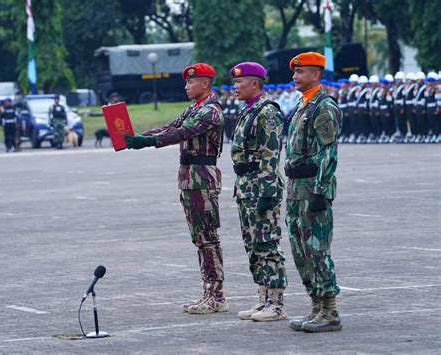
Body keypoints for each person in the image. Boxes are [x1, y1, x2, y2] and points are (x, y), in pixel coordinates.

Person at [124, 63, 228, 314]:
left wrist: (149, 141)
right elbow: (170, 127)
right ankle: (208, 292)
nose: (186, 86)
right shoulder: (194, 108)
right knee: (200, 239)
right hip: (189, 178)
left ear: (205, 83)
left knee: (208, 238)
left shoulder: (210, 111)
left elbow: (183, 133)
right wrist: (140, 137)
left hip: (202, 178)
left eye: (191, 82)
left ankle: (217, 296)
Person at [285, 52, 342, 332]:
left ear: (316, 74)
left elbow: (328, 151)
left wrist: (321, 189)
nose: (295, 77)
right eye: (295, 72)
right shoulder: (302, 104)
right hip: (296, 188)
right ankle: (316, 305)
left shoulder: (323, 106)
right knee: (300, 249)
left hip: (312, 188)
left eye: (300, 72)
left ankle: (330, 311)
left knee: (317, 249)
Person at [229, 62, 288, 322]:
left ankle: (276, 304)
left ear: (255, 83)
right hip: (246, 186)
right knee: (253, 245)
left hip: (260, 186)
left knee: (267, 244)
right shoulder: (249, 110)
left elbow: (270, 153)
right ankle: (263, 298)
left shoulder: (267, 112)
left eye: (240, 82)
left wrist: (266, 190)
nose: (235, 86)